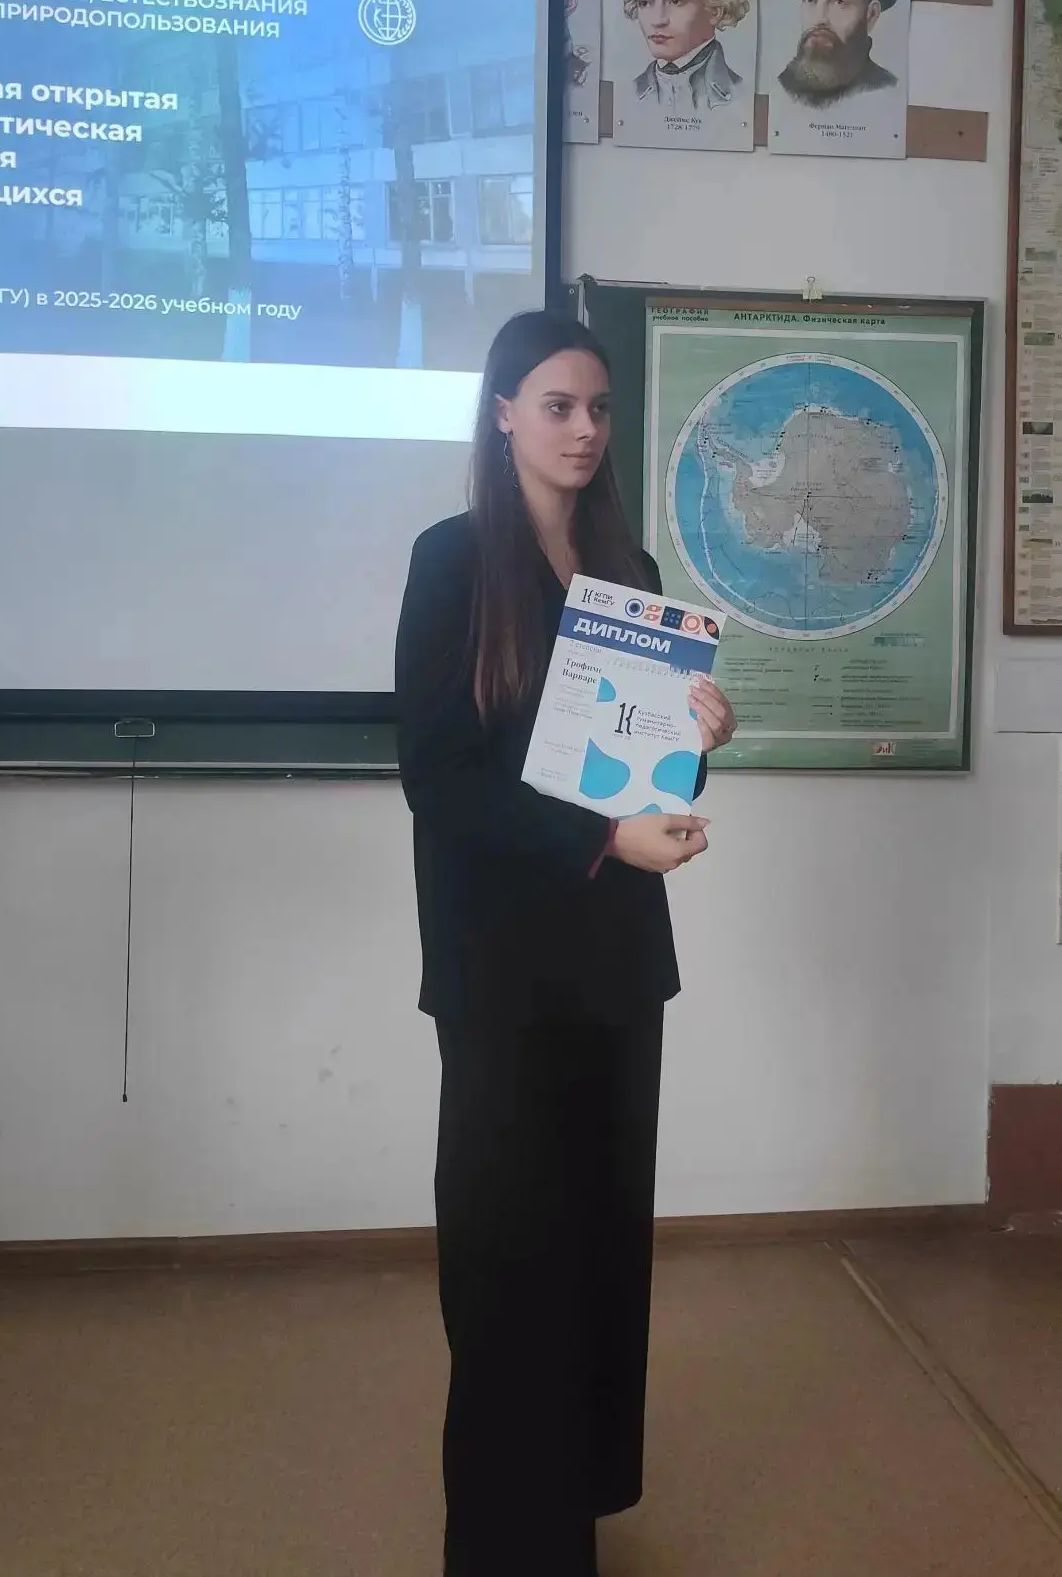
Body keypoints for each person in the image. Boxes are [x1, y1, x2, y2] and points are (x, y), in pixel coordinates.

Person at [394, 311, 736, 1577]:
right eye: (556, 405)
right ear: (502, 414)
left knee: (597, 1253)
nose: (584, 429)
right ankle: (501, 1543)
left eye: (597, 407)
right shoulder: (452, 561)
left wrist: (705, 735)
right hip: (503, 974)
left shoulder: (626, 567)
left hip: (616, 966)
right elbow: (439, 777)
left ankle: (570, 1521)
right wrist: (603, 839)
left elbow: (640, 771)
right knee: (507, 1260)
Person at [621, 0, 751, 113]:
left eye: (675, 1)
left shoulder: (741, 93)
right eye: (645, 2)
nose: (657, 20)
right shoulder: (628, 94)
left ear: (715, 9)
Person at [778, 0, 903, 108]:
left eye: (839, 2)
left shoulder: (884, 89)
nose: (819, 18)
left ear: (871, 14)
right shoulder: (781, 86)